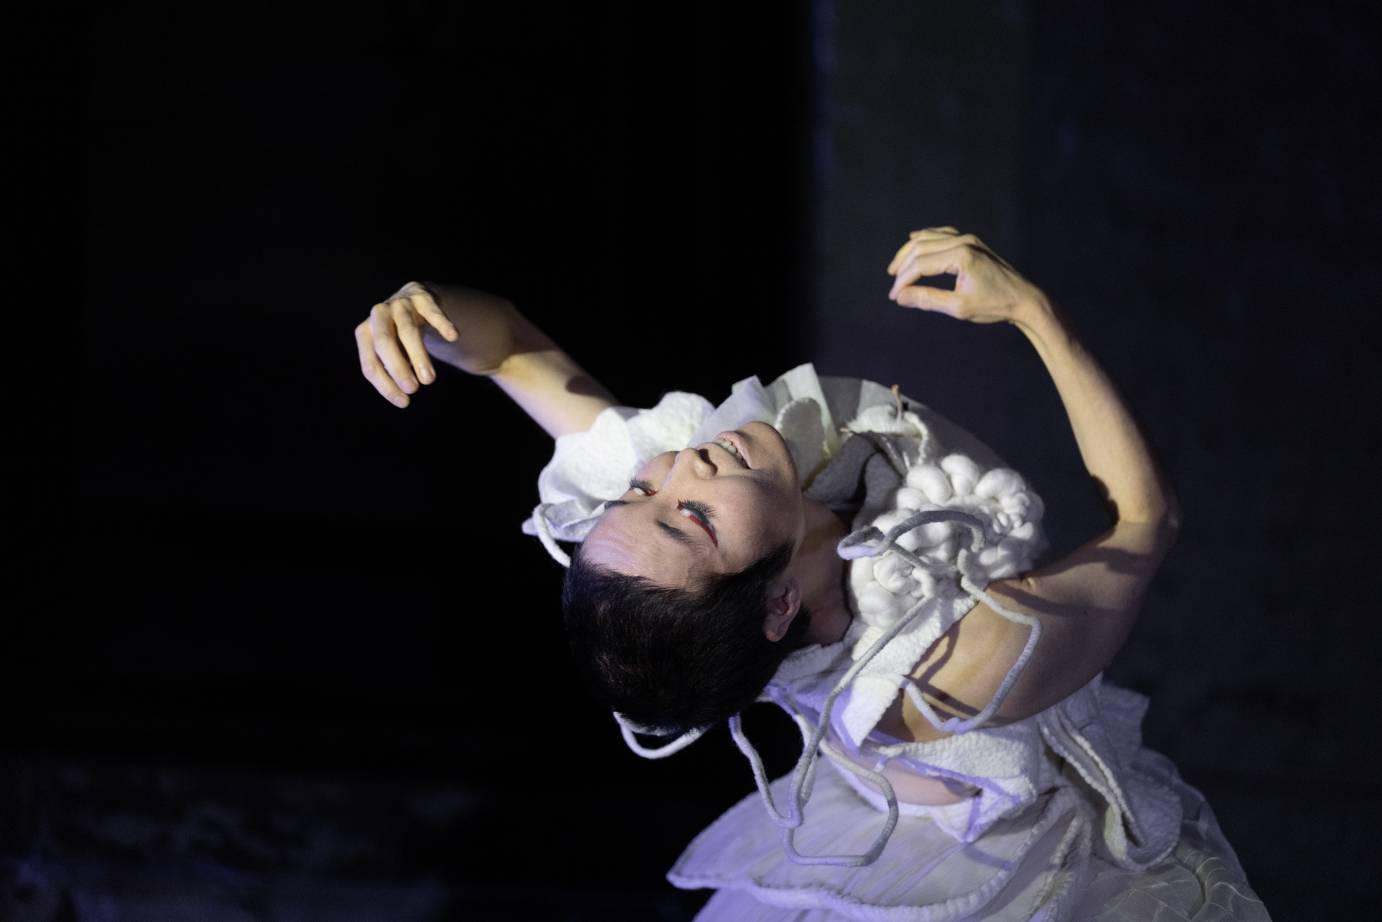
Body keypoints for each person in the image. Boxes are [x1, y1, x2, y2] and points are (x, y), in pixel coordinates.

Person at [353, 227, 1272, 920]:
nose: (684, 464)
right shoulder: (950, 667)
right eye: (693, 516)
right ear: (779, 603)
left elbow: (506, 346)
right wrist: (1033, 312)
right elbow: (1146, 521)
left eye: (643, 487)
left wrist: (416, 309)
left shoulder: (695, 503)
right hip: (1011, 871)